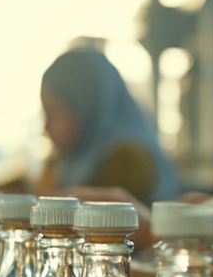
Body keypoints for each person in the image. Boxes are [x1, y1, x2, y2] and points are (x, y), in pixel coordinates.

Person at [37, 48, 178, 206]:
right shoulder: (66, 161)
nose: (46, 126)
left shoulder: (130, 160)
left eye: (53, 113)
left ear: (86, 108)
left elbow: (78, 215)